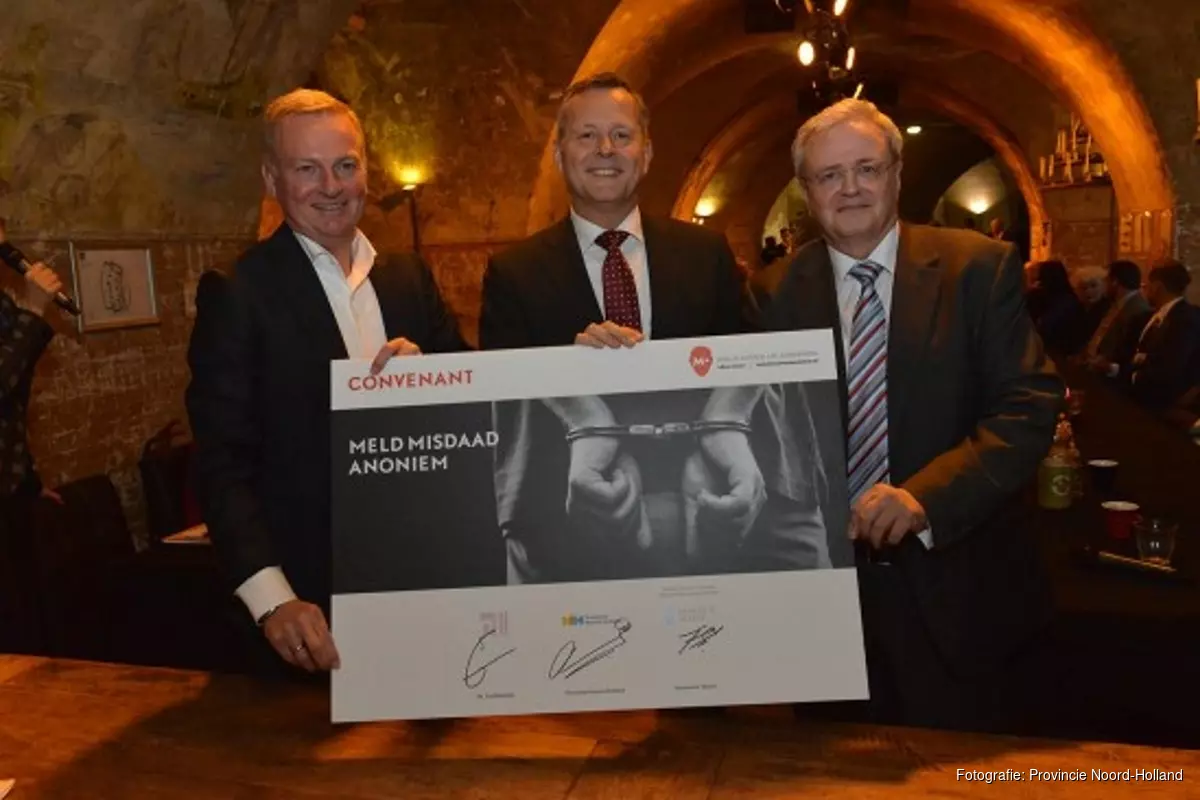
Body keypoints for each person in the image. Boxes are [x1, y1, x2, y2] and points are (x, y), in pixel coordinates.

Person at [760, 98, 1063, 732]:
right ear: (807, 192)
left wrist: (925, 499)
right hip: (824, 598)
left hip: (956, 587)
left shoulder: (976, 268)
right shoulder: (772, 292)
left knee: (956, 764)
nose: (850, 188)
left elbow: (1027, 405)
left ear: (897, 175)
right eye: (829, 175)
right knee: (830, 763)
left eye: (867, 168)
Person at [480, 73, 838, 584]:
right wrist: (565, 367)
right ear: (559, 155)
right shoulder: (514, 273)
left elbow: (743, 361)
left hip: (718, 504)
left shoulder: (705, 254)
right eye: (586, 135)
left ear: (646, 154)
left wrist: (722, 430)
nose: (605, 149)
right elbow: (502, 392)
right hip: (568, 525)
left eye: (621, 135)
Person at [186, 89, 464, 675]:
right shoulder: (238, 292)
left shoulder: (410, 278)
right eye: (307, 169)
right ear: (272, 179)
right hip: (311, 610)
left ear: (366, 171)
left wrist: (435, 381)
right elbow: (221, 463)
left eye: (345, 165)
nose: (331, 186)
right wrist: (273, 600)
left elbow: (473, 409)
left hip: (426, 587)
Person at [0, 231, 66, 654]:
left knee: (31, 634)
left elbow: (11, 404)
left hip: (10, 496)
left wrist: (26, 478)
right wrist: (32, 311)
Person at [1128, 259, 1200, 410]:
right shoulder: (1153, 315)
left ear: (1157, 287)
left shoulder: (1184, 319)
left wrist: (1132, 376)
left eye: (1145, 286)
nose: (1144, 290)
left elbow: (1170, 367)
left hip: (1162, 402)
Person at [1082, 260, 1151, 378]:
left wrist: (1106, 364)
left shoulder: (1138, 310)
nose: (1104, 285)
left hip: (1113, 378)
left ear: (1115, 282)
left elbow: (1129, 351)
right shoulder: (1116, 304)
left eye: (1106, 280)